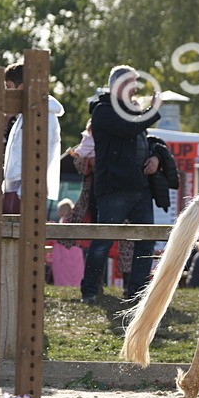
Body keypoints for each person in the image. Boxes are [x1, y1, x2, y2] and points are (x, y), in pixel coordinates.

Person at [80, 66, 162, 304]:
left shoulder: (133, 112)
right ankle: (89, 291)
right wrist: (153, 110)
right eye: (131, 82)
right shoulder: (103, 111)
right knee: (103, 241)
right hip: (115, 187)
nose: (135, 88)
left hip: (140, 187)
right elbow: (129, 129)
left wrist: (155, 157)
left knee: (146, 239)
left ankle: (136, 293)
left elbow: (146, 139)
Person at [1, 61, 65, 214]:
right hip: (13, 187)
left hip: (25, 191)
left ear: (21, 87)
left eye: (8, 87)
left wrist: (24, 191)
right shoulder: (24, 115)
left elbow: (45, 154)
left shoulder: (45, 115)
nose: (6, 93)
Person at [47, 199, 85, 287]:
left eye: (59, 209)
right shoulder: (70, 219)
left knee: (63, 268)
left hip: (64, 251)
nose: (57, 211)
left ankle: (63, 284)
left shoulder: (65, 220)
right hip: (74, 250)